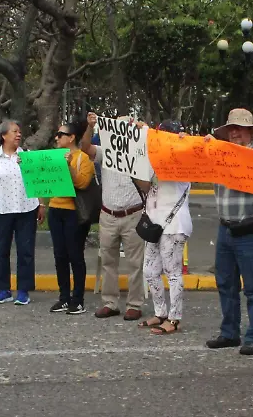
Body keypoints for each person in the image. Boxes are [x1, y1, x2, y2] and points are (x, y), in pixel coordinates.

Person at [206, 108, 253, 356]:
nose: (235, 132)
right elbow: (190, 156)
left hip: (250, 227)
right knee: (225, 283)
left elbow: (248, 167)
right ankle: (230, 333)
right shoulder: (217, 154)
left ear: (250, 133)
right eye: (232, 128)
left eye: (240, 128)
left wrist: (216, 149)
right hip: (226, 227)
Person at [79, 112, 147, 321]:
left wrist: (143, 128)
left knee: (136, 263)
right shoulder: (105, 151)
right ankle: (110, 303)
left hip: (133, 213)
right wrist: (90, 127)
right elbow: (85, 147)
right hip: (108, 215)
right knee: (108, 261)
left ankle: (134, 304)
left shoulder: (140, 153)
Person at [137, 120, 194, 335]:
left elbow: (170, 173)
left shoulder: (182, 157)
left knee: (172, 273)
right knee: (150, 271)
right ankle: (160, 312)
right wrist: (134, 171)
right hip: (154, 222)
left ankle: (175, 318)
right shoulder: (154, 157)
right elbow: (147, 186)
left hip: (174, 224)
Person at [0, 119, 43, 306]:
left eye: (19, 131)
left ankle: (23, 291)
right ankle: (3, 289)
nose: (18, 134)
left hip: (26, 209)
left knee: (25, 251)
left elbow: (37, 181)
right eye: (14, 131)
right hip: (1, 209)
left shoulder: (27, 156)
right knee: (1, 250)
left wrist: (41, 204)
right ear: (3, 135)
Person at [47, 122, 96, 315]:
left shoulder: (83, 159)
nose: (57, 138)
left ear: (72, 137)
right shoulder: (53, 156)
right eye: (56, 134)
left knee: (75, 255)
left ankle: (78, 299)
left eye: (61, 134)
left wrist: (69, 167)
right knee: (60, 256)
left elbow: (83, 183)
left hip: (74, 213)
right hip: (55, 209)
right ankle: (64, 298)